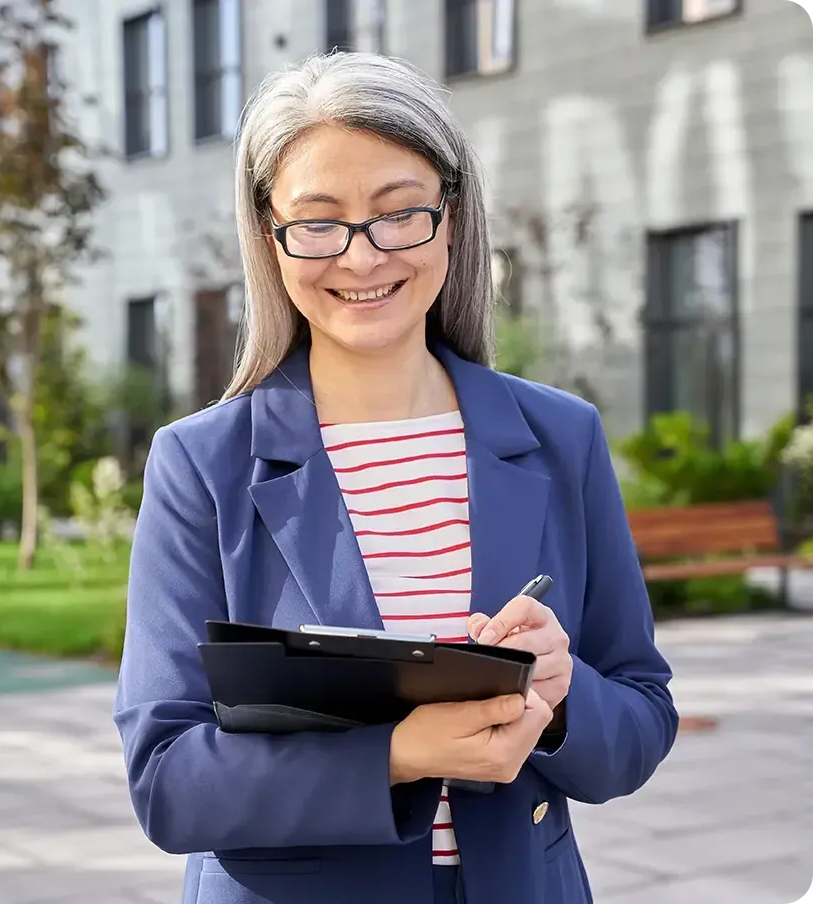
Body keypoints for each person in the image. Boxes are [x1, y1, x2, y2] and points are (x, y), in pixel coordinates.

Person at [114, 51, 679, 904]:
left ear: (450, 217)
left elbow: (640, 722)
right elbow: (167, 782)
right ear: (270, 238)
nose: (362, 255)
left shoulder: (561, 436)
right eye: (318, 222)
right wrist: (403, 754)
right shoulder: (202, 463)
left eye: (398, 213)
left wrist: (564, 697)